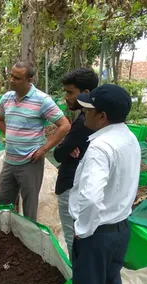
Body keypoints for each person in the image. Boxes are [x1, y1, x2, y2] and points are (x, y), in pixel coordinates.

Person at [69, 84, 140, 284]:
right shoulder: (129, 138)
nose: (84, 113)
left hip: (98, 235)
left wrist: (83, 229)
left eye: (89, 110)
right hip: (120, 230)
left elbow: (90, 197)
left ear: (102, 116)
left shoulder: (101, 147)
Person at [0, 61, 71, 221]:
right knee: (2, 202)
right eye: (11, 75)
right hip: (9, 160)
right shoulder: (7, 98)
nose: (11, 80)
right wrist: (11, 136)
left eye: (17, 77)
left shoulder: (42, 100)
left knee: (29, 206)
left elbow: (64, 126)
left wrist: (44, 149)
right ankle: (3, 235)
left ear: (29, 79)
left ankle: (28, 240)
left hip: (30, 162)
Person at [53, 68, 98, 260]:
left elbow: (58, 153)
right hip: (83, 185)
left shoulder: (84, 122)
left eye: (70, 92)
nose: (66, 97)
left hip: (70, 185)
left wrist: (65, 146)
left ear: (86, 93)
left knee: (73, 236)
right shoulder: (95, 120)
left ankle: (77, 280)